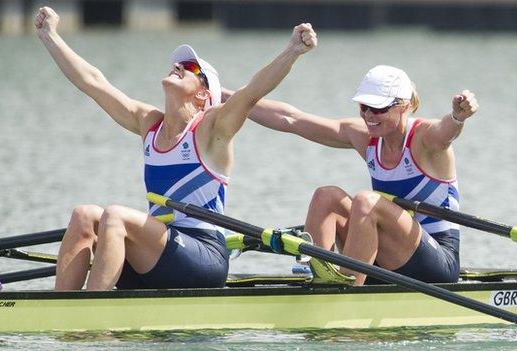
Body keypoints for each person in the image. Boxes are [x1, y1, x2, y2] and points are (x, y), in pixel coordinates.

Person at [35, 6, 318, 291]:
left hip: (203, 257)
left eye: (191, 67)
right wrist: (50, 36)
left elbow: (252, 91)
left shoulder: (212, 130)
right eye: (179, 63)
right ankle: (60, 310)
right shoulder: (149, 123)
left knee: (115, 215)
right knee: (84, 215)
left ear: (203, 94)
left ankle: (90, 319)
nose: (179, 66)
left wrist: (293, 49)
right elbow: (93, 82)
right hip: (159, 255)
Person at [223, 65, 478, 285]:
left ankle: (347, 291)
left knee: (367, 201)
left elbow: (446, 132)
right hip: (386, 253)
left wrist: (457, 117)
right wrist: (225, 97)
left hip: (437, 262)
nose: (369, 115)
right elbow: (291, 119)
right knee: (327, 196)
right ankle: (321, 275)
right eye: (364, 107)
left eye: (378, 109)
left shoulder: (425, 139)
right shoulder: (364, 136)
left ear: (406, 105)